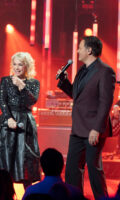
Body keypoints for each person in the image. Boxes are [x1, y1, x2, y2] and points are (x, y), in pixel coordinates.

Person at [57, 36, 116, 200]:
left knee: (93, 168)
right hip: (78, 127)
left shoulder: (105, 71)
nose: (77, 51)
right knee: (72, 169)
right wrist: (64, 81)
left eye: (80, 47)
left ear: (89, 50)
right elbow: (77, 96)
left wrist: (97, 129)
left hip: (93, 128)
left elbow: (106, 102)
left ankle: (102, 198)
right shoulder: (82, 70)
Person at [0, 52, 41, 187]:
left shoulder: (33, 83)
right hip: (8, 122)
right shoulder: (6, 81)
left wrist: (22, 86)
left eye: (20, 64)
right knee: (7, 157)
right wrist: (9, 118)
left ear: (26, 66)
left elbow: (31, 101)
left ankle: (29, 193)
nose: (17, 67)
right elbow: (2, 101)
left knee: (27, 158)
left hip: (26, 122)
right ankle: (5, 192)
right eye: (14, 64)